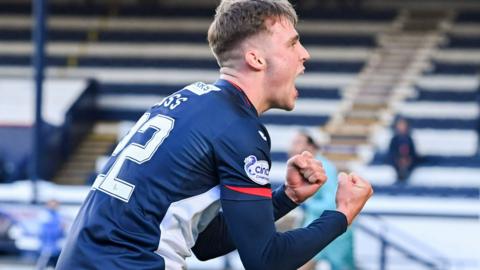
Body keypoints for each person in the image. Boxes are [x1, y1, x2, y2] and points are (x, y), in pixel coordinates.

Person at [56, 1, 373, 269]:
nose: (304, 54)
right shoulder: (238, 127)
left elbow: (206, 242)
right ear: (256, 58)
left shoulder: (194, 101)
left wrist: (286, 197)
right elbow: (266, 260)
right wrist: (342, 214)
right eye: (292, 43)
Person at [290, 132, 355, 270]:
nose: (293, 147)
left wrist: (306, 205)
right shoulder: (304, 170)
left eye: (298, 142)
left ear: (311, 147)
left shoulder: (322, 168)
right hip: (318, 230)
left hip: (331, 233)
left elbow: (332, 202)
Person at [36, 199, 64, 269]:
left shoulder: (57, 215)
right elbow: (45, 231)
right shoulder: (45, 215)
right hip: (47, 245)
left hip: (56, 246)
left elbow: (61, 231)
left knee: (56, 265)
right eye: (52, 205)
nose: (54, 207)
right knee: (43, 264)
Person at [388, 117, 418, 183]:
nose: (402, 127)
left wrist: (408, 160)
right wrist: (398, 160)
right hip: (396, 162)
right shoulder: (394, 139)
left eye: (403, 125)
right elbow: (391, 153)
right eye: (400, 125)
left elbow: (413, 153)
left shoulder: (409, 139)